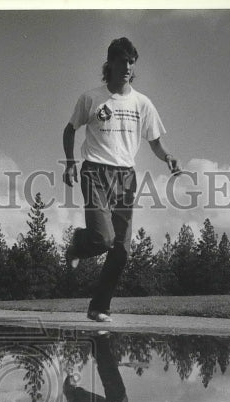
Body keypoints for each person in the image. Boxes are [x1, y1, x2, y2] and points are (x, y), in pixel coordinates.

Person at [62, 37, 182, 323]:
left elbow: (154, 141)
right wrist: (70, 163)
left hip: (126, 176)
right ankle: (78, 243)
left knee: (122, 251)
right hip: (95, 171)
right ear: (110, 64)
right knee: (103, 239)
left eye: (131, 61)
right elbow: (69, 130)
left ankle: (99, 307)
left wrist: (168, 157)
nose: (127, 66)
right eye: (122, 61)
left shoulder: (142, 103)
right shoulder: (91, 98)